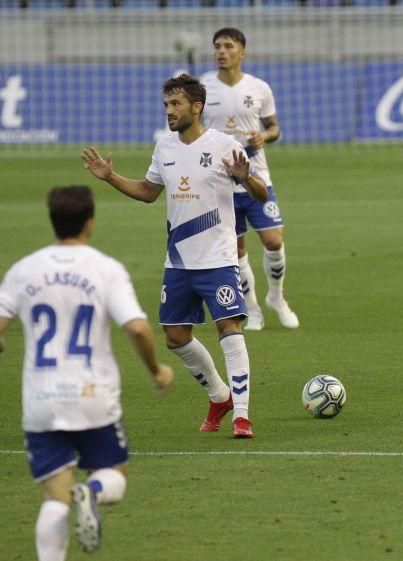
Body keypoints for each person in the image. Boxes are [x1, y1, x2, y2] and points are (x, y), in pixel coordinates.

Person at [81, 73, 268, 439]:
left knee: (229, 328)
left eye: (176, 104)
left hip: (219, 259)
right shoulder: (165, 148)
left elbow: (261, 195)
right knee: (174, 336)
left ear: (196, 107)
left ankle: (242, 416)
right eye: (167, 104)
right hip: (180, 261)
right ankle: (219, 396)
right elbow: (149, 191)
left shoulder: (226, 145)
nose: (169, 110)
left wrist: (247, 178)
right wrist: (110, 177)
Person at [0, 186, 174, 560]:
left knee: (54, 498)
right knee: (114, 472)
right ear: (90, 222)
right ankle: (92, 492)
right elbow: (139, 328)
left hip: (41, 402)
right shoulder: (105, 269)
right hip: (93, 396)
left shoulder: (23, 270)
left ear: (52, 220)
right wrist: (157, 370)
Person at [199, 27, 298, 331]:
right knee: (237, 250)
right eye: (217, 46)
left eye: (228, 46)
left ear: (242, 51)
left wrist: (264, 135)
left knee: (273, 240)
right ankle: (252, 307)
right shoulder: (201, 87)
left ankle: (277, 298)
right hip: (220, 183)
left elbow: (275, 127)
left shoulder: (259, 88)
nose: (221, 51)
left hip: (257, 177)